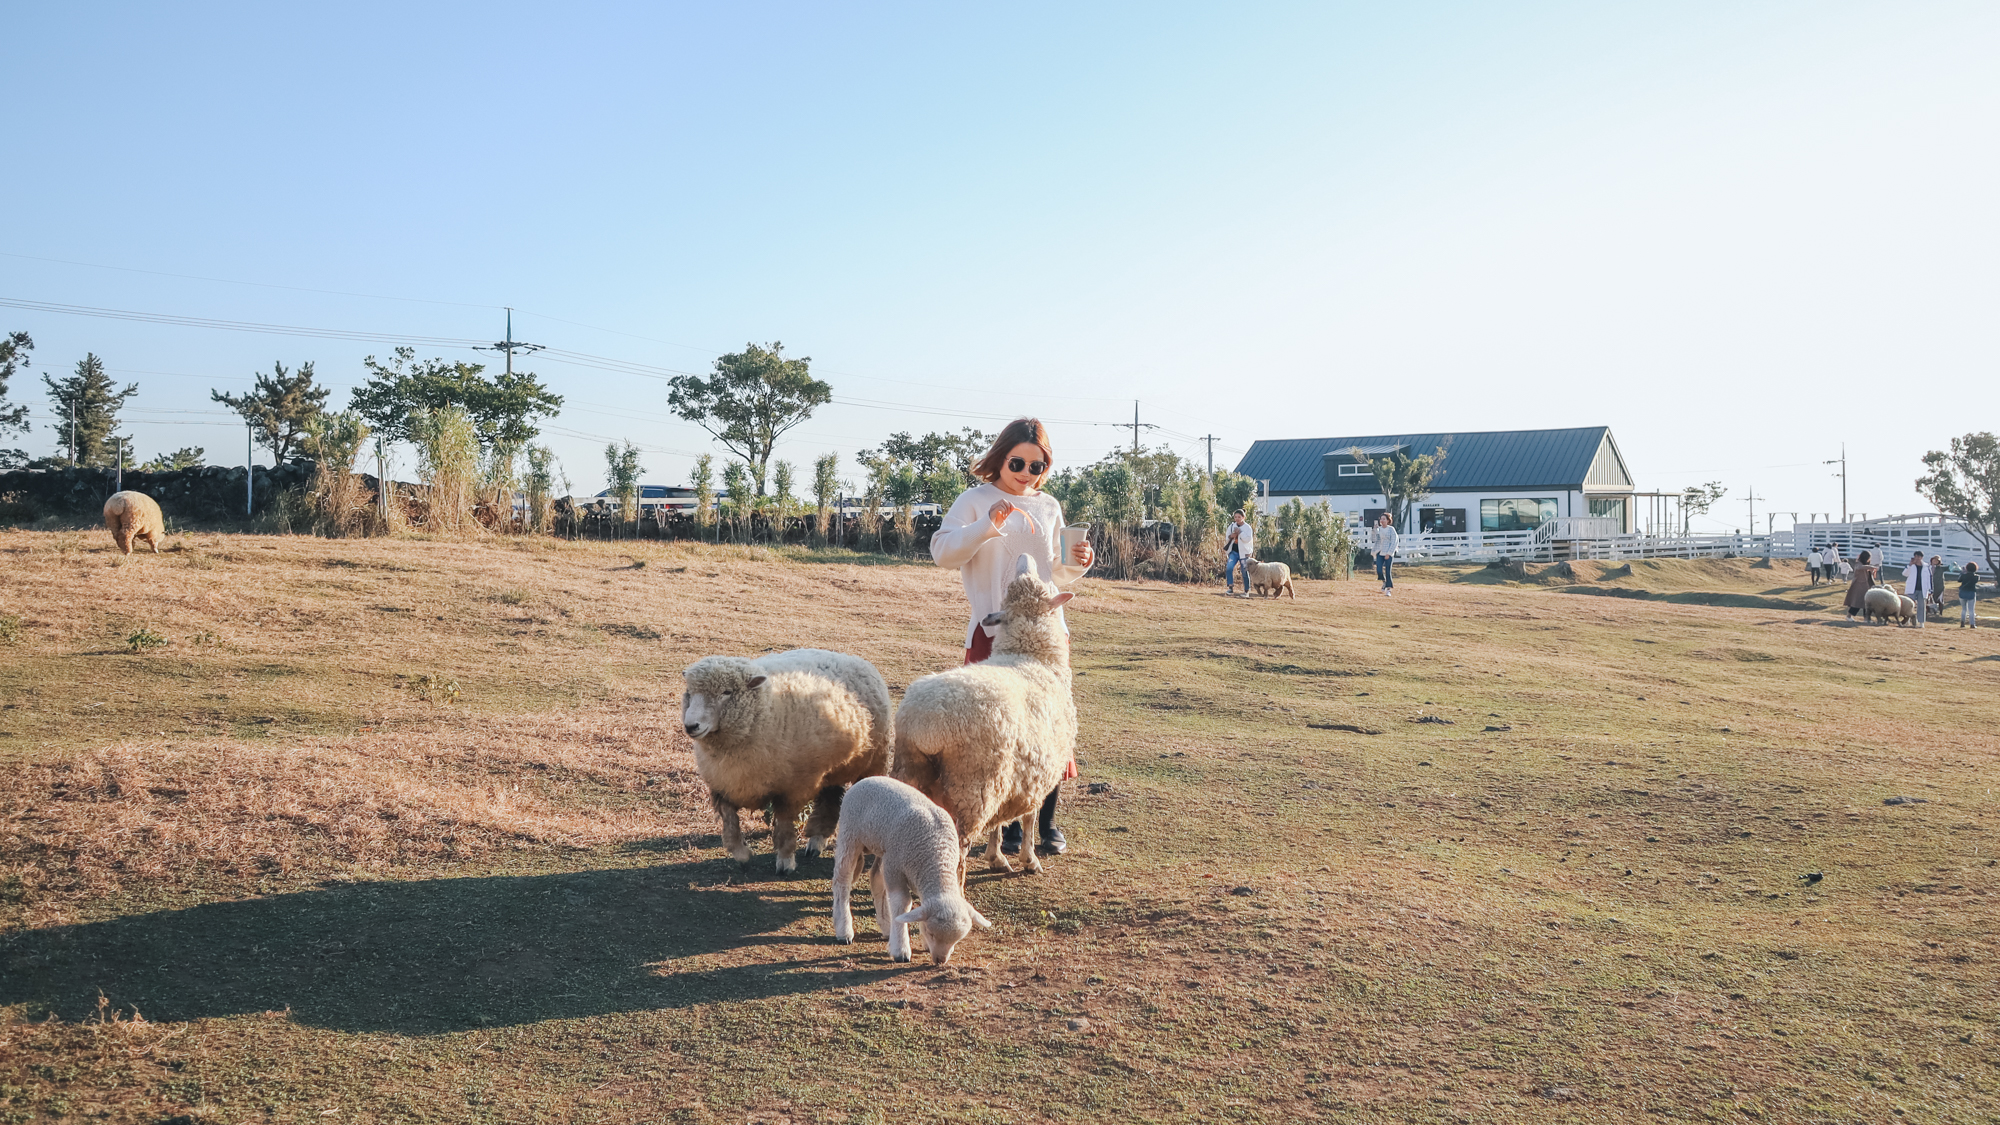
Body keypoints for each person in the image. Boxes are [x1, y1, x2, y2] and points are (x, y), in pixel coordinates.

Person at [929, 417, 1092, 858]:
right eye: (1017, 462)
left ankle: (1046, 825)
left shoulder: (1049, 506)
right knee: (992, 736)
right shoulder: (974, 499)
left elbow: (1055, 572)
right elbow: (942, 552)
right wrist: (986, 524)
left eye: (1036, 466)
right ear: (1000, 457)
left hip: (1047, 636)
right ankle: (1004, 831)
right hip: (991, 632)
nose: (1025, 473)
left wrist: (1078, 563)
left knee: (1049, 728)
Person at [1224, 509, 1254, 597]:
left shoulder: (1247, 528)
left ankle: (1246, 590)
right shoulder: (1231, 526)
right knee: (1229, 568)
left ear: (1243, 517)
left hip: (1244, 552)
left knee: (1244, 571)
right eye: (1235, 517)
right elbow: (1227, 537)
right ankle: (1230, 587)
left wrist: (1240, 533)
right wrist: (1231, 536)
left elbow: (1247, 539)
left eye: (1239, 517)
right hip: (1234, 551)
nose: (1237, 519)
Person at [1843, 549, 1880, 620]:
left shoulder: (1864, 565)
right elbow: (1860, 568)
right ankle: (1849, 616)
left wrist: (1871, 570)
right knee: (1857, 602)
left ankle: (1865, 618)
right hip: (1858, 586)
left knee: (1865, 603)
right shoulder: (1858, 564)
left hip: (1864, 586)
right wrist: (1871, 567)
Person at [1370, 513, 1398, 595]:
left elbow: (1394, 541)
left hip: (1388, 552)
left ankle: (1388, 589)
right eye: (1381, 519)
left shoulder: (1391, 529)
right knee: (1379, 569)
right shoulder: (1378, 529)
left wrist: (1389, 553)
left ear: (1388, 520)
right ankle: (1384, 581)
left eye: (1384, 519)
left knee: (1388, 571)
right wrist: (1374, 530)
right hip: (1379, 551)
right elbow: (1373, 539)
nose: (1382, 521)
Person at [1904, 550, 1932, 628]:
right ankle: (1907, 621)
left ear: (1922, 557)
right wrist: (1910, 565)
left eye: (1919, 556)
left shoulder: (1926, 566)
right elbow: (1904, 574)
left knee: (1921, 606)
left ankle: (1921, 622)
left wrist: (1930, 589)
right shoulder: (1911, 566)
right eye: (1916, 556)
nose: (1917, 558)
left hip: (1922, 589)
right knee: (1909, 605)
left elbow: (1929, 578)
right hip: (1912, 588)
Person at [1959, 561, 1980, 629]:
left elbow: (1959, 580)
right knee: (1971, 609)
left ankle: (1962, 622)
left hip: (1962, 592)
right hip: (1971, 593)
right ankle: (1972, 624)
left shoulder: (1963, 575)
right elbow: (1976, 580)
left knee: (1964, 609)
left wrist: (1963, 572)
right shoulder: (1976, 577)